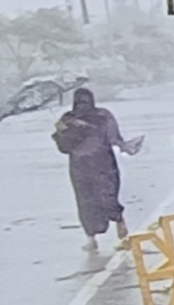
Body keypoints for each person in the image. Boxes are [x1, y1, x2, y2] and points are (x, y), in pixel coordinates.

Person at [51, 82, 143, 253]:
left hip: (103, 165)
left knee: (108, 196)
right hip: (80, 167)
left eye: (86, 102)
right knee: (86, 202)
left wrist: (123, 145)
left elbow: (113, 137)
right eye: (80, 103)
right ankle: (91, 238)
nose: (83, 106)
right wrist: (60, 133)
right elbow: (64, 148)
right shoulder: (67, 119)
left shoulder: (103, 116)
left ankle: (120, 223)